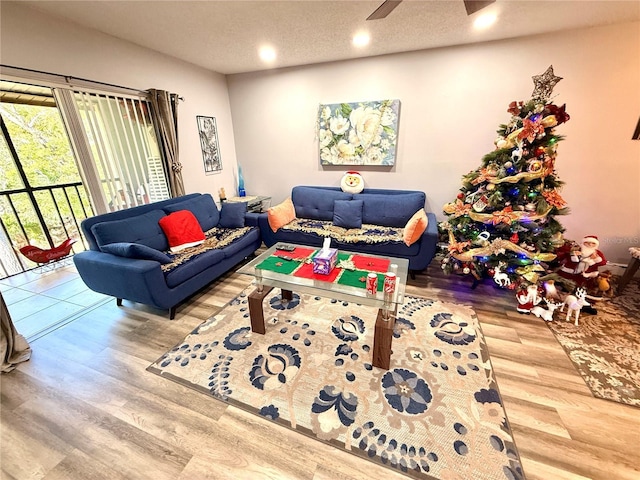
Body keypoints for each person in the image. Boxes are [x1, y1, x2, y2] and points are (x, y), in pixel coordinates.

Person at [556, 235, 607, 314]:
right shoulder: (577, 249)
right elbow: (564, 255)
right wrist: (573, 254)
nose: (590, 245)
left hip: (586, 274)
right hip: (570, 272)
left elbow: (603, 262)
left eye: (593, 243)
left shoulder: (597, 253)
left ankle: (584, 301)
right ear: (583, 243)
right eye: (587, 243)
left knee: (585, 287)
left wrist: (595, 259)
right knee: (564, 284)